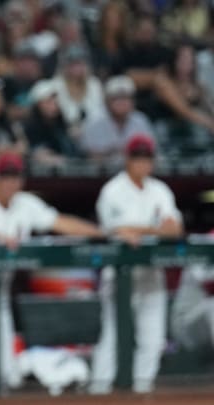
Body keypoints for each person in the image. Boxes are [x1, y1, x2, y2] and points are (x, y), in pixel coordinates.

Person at [0, 151, 102, 399]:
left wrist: (103, 232)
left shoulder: (26, 204)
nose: (10, 182)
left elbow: (60, 222)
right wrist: (0, 238)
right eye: (5, 176)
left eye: (14, 176)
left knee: (8, 369)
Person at [89, 134, 184, 395]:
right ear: (127, 159)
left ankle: (142, 392)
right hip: (119, 274)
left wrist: (141, 231)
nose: (142, 163)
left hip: (152, 275)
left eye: (147, 158)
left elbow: (175, 229)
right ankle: (98, 392)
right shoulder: (112, 190)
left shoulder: (160, 190)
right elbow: (115, 229)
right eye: (137, 157)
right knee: (113, 338)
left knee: (152, 341)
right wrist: (154, 229)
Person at [80, 75, 154, 162]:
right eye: (116, 98)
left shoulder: (141, 120)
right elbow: (88, 157)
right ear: (107, 101)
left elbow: (151, 153)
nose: (122, 102)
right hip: (101, 174)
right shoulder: (93, 122)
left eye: (126, 98)